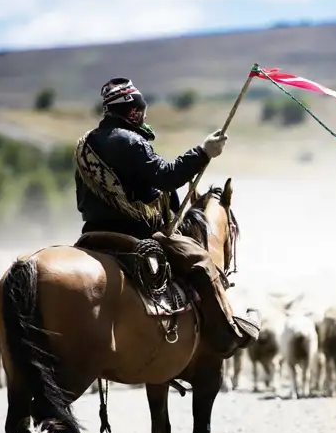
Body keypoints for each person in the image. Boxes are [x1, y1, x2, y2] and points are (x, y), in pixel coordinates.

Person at [74, 77, 259, 358]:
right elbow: (167, 176)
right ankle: (228, 333)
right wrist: (204, 152)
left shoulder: (85, 145)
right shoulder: (133, 141)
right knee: (202, 262)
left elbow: (81, 202)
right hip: (137, 233)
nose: (144, 113)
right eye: (141, 108)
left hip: (91, 233)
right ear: (132, 111)